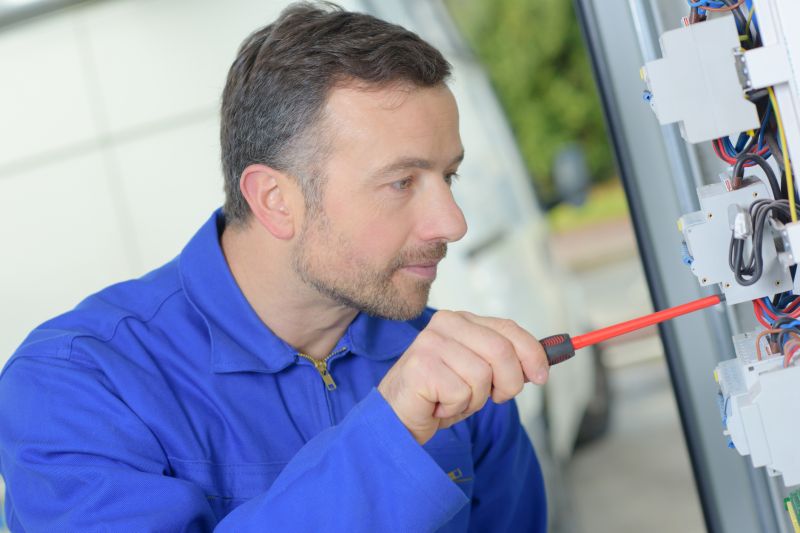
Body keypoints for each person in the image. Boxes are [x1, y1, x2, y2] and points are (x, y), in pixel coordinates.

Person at [0, 2, 549, 531]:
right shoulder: (74, 384)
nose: (452, 223)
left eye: (447, 177)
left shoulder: (447, 364)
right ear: (274, 200)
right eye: (402, 182)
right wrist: (390, 437)